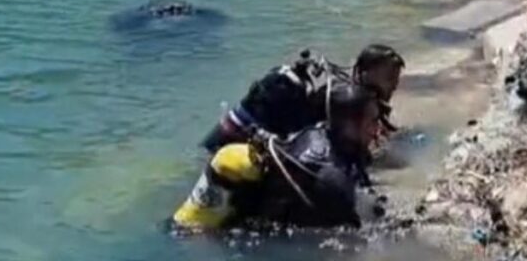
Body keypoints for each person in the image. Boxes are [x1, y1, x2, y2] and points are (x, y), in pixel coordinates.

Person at [171, 82, 381, 232]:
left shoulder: (317, 133)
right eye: (372, 121)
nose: (377, 129)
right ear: (349, 125)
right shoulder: (330, 179)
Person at [200, 44, 404, 154]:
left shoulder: (346, 92)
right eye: (389, 77)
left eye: (396, 78)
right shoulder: (348, 100)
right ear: (366, 73)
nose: (394, 84)